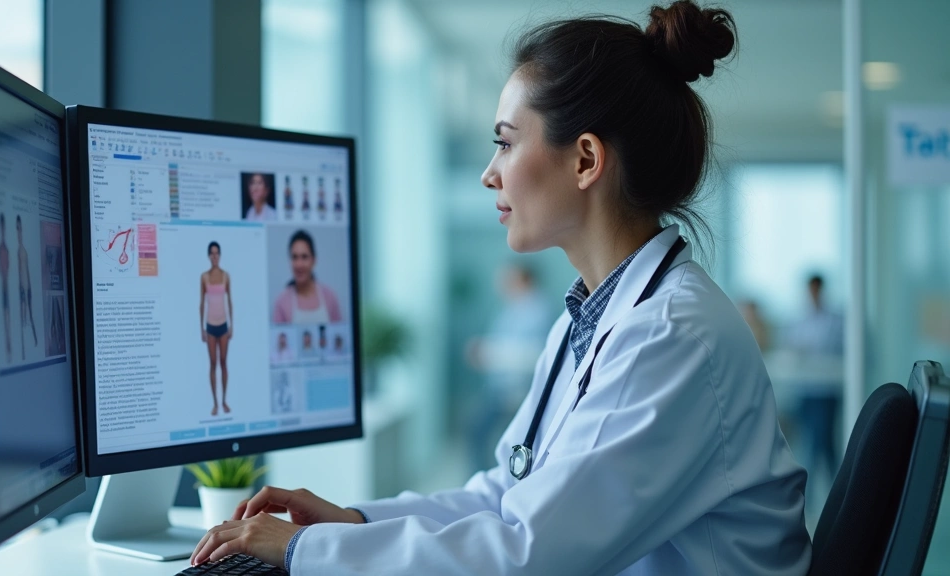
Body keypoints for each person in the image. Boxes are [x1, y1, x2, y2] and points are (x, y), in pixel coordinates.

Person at [191, 3, 811, 574]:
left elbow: (524, 555)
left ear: (586, 160)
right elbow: (505, 495)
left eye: (506, 143)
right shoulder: (588, 320)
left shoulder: (671, 336)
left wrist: (302, 549)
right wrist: (351, 522)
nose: (490, 174)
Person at [467, 263, 553, 471]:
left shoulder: (537, 311)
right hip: (500, 391)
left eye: (509, 279)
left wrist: (488, 353)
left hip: (516, 394)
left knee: (499, 439)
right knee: (481, 434)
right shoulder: (513, 308)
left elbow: (533, 354)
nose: (502, 285)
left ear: (524, 280)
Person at [785, 274, 843, 499]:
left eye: (816, 290)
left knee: (823, 445)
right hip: (806, 392)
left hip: (827, 393)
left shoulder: (835, 321)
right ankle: (826, 496)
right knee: (815, 444)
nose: (813, 295)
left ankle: (825, 495)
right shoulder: (800, 321)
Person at [271, 230, 343, 324]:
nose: (299, 264)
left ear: (314, 260)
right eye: (294, 257)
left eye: (304, 257)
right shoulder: (282, 302)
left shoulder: (330, 297)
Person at [200, 241, 233, 416]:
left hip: (223, 325)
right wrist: (202, 329)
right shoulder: (204, 277)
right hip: (210, 326)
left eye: (217, 253)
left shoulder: (226, 276)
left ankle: (224, 401)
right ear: (208, 256)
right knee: (213, 364)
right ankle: (215, 403)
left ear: (220, 255)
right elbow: (201, 303)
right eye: (212, 253)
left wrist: (232, 325)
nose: (214, 256)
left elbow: (230, 301)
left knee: (223, 363)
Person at [16, 215, 37, 359]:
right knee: (23, 319)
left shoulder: (23, 250)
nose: (19, 232)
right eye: (17, 229)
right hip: (22, 289)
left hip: (27, 287)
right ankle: (23, 351)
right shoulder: (18, 251)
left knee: (30, 316)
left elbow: (26, 270)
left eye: (20, 229)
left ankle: (34, 343)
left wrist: (29, 287)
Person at [0, 213, 11, 362]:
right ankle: (6, 349)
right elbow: (1, 267)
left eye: (3, 227)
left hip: (7, 287)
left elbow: (7, 267)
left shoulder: (6, 248)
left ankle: (9, 347)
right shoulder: (1, 248)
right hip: (2, 287)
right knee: (4, 316)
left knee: (8, 316)